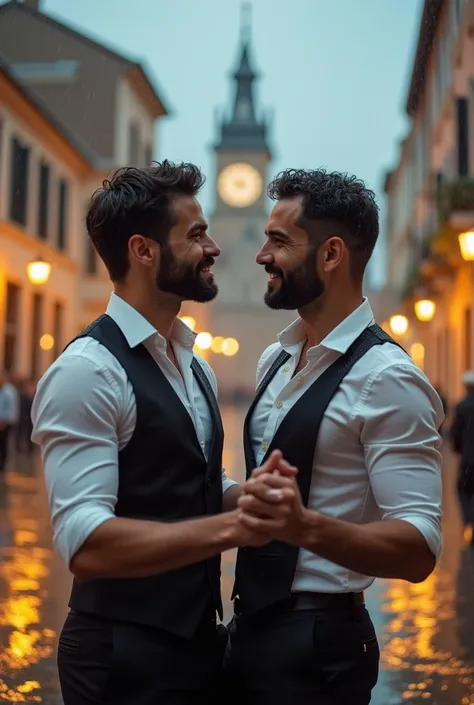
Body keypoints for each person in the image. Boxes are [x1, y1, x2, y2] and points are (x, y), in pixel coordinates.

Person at [31, 161, 285, 705]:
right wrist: (235, 527)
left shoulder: (193, 365)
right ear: (144, 251)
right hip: (120, 659)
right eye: (195, 235)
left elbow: (192, 481)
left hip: (195, 648)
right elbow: (87, 543)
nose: (214, 247)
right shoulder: (88, 371)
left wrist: (255, 497)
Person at [225, 168, 444, 705]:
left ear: (331, 256)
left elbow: (419, 547)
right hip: (247, 632)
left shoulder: (388, 378)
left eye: (279, 241)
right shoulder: (274, 359)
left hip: (320, 647)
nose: (261, 255)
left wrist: (305, 527)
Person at [449, 370, 474, 542]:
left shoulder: (461, 406)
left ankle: (469, 519)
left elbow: (455, 433)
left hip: (468, 458)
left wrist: (457, 448)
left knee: (463, 489)